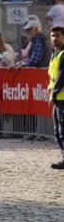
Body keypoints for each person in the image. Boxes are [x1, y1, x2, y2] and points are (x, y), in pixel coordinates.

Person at [48, 26, 64, 169]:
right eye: (52, 36)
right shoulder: (55, 53)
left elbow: (61, 76)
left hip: (62, 98)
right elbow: (52, 76)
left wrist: (54, 92)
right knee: (57, 130)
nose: (54, 39)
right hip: (57, 98)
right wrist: (50, 89)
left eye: (57, 36)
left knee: (62, 130)